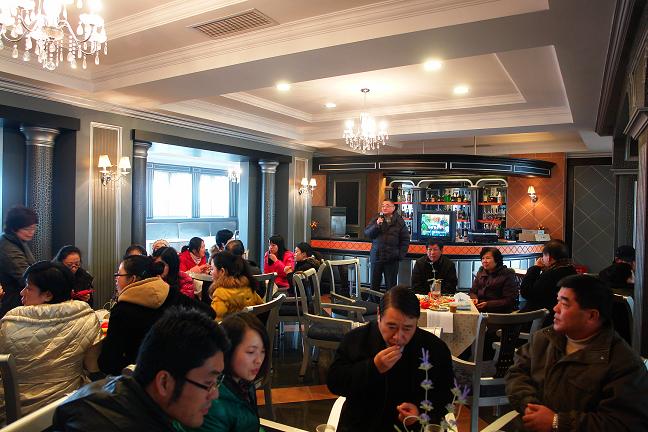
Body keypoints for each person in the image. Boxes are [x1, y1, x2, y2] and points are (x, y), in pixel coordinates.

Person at [505, 274, 648, 431]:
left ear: (592, 315)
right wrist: (529, 406)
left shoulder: (623, 364)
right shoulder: (544, 338)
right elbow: (516, 373)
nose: (555, 308)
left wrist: (557, 422)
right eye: (557, 301)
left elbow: (623, 423)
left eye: (564, 304)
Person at [53, 307, 230, 431]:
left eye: (217, 381)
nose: (215, 394)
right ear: (164, 382)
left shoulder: (121, 389)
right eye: (208, 383)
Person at [327, 285, 454, 432]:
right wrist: (373, 367)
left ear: (417, 322)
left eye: (407, 328)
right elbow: (335, 383)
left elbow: (447, 395)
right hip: (363, 423)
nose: (398, 337)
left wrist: (421, 413)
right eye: (391, 327)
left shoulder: (435, 348)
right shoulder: (357, 339)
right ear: (379, 315)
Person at [0, 261, 101, 417]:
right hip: (68, 407)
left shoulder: (9, 323)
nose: (22, 292)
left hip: (15, 411)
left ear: (47, 295)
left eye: (28, 288)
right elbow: (92, 366)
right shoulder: (87, 318)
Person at [177, 312, 269, 432]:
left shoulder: (243, 383)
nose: (259, 360)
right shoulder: (211, 402)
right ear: (228, 349)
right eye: (251, 352)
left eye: (263, 351)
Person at [98, 255, 170, 375]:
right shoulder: (170, 294)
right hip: (170, 372)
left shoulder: (122, 310)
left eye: (119, 274)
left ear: (132, 278)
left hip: (139, 377)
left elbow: (108, 362)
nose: (116, 279)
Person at [519, 239, 576, 326]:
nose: (542, 258)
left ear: (548, 257)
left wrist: (535, 267)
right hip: (560, 319)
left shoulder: (551, 274)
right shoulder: (572, 270)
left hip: (540, 320)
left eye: (543, 255)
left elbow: (526, 292)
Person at [152, 246, 217, 320]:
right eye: (156, 265)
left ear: (172, 265)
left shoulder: (185, 281)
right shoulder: (150, 282)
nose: (158, 268)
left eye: (162, 265)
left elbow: (180, 306)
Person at [364, 200, 410, 292]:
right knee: (374, 284)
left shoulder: (399, 220)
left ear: (393, 208)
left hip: (392, 258)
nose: (384, 208)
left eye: (387, 206)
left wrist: (400, 255)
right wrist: (376, 225)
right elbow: (367, 233)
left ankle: (390, 301)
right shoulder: (376, 218)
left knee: (391, 286)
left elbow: (405, 239)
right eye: (383, 206)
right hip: (377, 256)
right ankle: (374, 301)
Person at [0, 205, 37, 317]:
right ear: (14, 228)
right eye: (27, 229)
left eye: (34, 228)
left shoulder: (18, 241)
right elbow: (25, 277)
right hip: (12, 303)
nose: (31, 232)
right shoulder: (7, 248)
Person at [210, 252, 264, 321]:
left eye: (212, 269)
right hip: (249, 326)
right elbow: (262, 307)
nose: (210, 272)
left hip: (229, 328)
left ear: (222, 271)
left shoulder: (220, 293)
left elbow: (215, 322)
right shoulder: (248, 287)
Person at [469, 247, 518, 313]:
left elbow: (509, 300)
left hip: (498, 312)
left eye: (488, 258)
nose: (484, 261)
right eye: (483, 258)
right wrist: (474, 298)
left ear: (496, 260)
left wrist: (488, 304)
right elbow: (472, 291)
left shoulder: (507, 274)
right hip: (479, 309)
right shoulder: (481, 271)